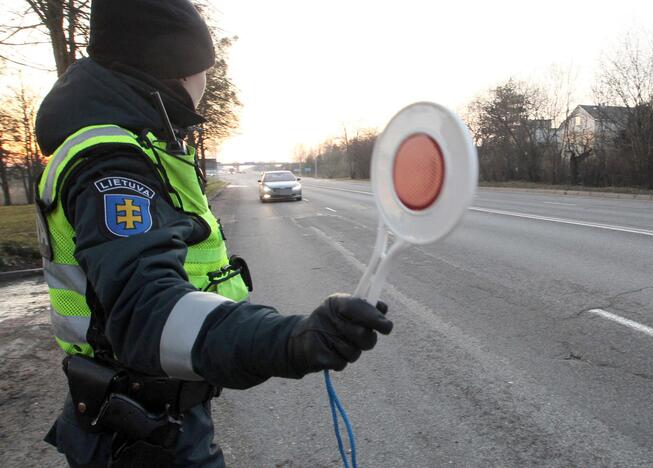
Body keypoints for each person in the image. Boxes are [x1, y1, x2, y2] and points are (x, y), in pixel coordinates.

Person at [34, 0, 393, 466]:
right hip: (135, 429)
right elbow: (147, 314)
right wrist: (291, 340)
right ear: (180, 68)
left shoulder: (136, 144)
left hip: (149, 414)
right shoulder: (112, 159)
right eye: (205, 65)